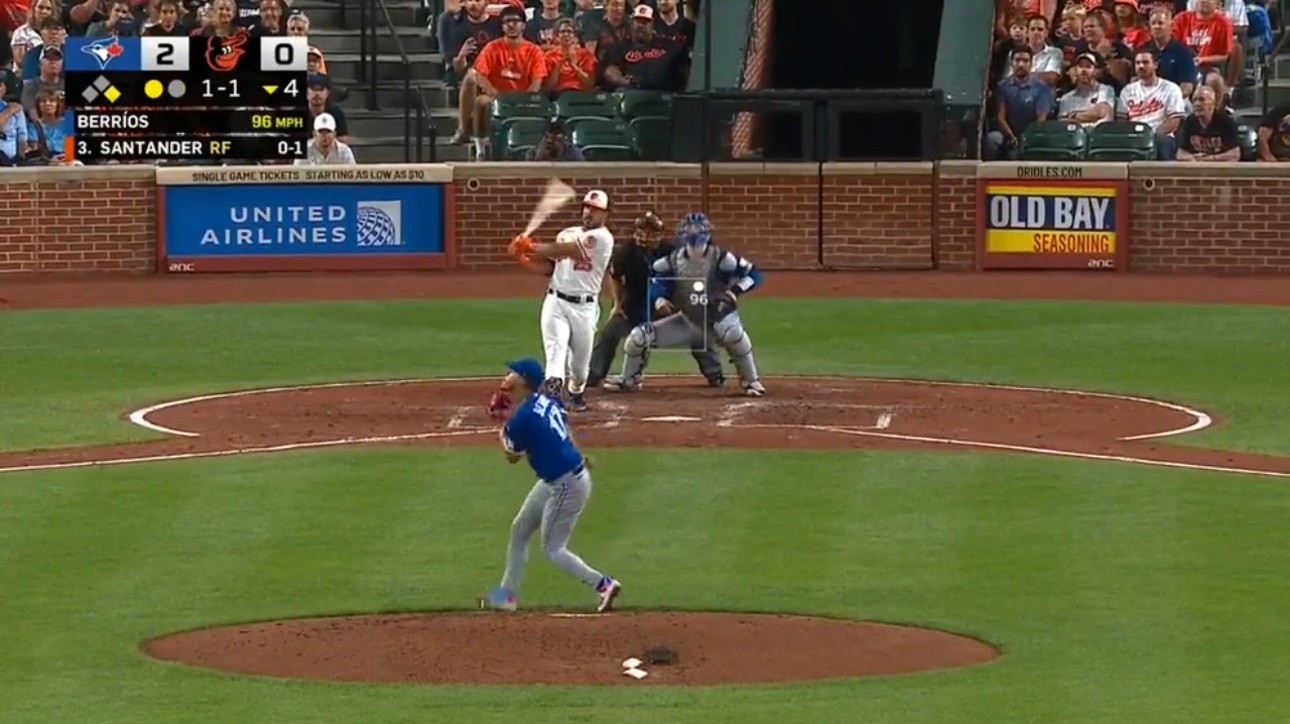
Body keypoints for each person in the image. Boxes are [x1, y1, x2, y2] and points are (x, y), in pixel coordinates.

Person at [478, 357, 622, 614]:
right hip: (562, 477)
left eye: (512, 372)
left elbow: (512, 457)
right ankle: (505, 596)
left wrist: (500, 427)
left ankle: (603, 584)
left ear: (522, 380)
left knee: (553, 547)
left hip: (566, 483)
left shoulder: (522, 418)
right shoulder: (544, 400)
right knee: (520, 528)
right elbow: (565, 430)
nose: (507, 375)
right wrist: (580, 456)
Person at [604, 212, 767, 397]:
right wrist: (659, 299)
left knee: (734, 335)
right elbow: (658, 284)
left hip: (718, 319)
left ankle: (750, 380)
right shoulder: (673, 260)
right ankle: (629, 378)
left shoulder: (721, 257)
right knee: (638, 337)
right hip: (687, 320)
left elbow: (754, 274)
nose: (694, 241)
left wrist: (736, 290)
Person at [587, 210, 725, 388]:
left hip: (667, 306)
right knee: (611, 332)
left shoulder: (672, 251)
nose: (646, 235)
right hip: (634, 305)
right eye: (643, 230)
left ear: (660, 233)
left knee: (696, 329)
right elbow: (614, 275)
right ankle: (596, 374)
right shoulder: (627, 250)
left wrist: (679, 304)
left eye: (651, 231)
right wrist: (617, 305)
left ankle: (715, 374)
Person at [507, 189, 615, 413]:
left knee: (579, 368)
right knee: (556, 352)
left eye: (595, 210)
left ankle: (576, 392)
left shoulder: (602, 239)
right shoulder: (567, 232)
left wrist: (531, 246)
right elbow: (551, 266)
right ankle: (553, 399)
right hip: (556, 302)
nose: (589, 213)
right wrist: (523, 256)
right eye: (586, 207)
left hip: (584, 308)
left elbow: (570, 250)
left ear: (605, 215)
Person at [1176, 85, 1240, 161]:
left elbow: (1235, 154)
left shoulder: (1226, 122)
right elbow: (1180, 154)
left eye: (1202, 100)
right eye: (1194, 100)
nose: (1197, 104)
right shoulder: (1189, 122)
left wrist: (1211, 158)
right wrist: (1193, 158)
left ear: (1213, 103)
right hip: (1197, 167)